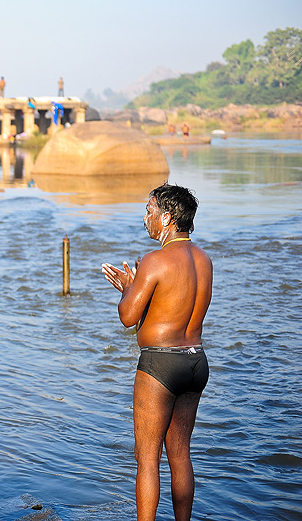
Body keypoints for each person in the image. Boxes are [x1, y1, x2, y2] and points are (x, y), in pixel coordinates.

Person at [101, 184, 213, 521]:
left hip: (160, 364)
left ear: (166, 218)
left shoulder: (154, 260)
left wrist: (128, 288)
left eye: (149, 211)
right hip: (196, 360)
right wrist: (139, 289)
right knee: (180, 454)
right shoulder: (203, 259)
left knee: (147, 457)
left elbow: (128, 317)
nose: (145, 218)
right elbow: (171, 310)